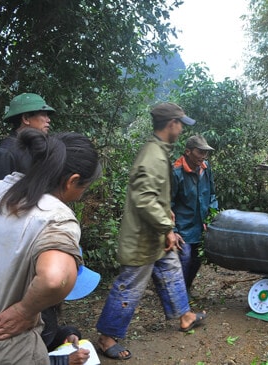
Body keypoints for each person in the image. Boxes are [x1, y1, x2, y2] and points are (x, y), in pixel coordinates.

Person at [0, 129, 102, 365]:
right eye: (84, 189)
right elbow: (55, 278)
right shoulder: (54, 215)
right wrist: (24, 311)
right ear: (72, 181)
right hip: (3, 352)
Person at [95, 102, 207, 361]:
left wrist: (167, 213)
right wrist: (167, 227)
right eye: (179, 124)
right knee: (129, 285)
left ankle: (185, 316)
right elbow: (143, 198)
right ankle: (107, 337)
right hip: (143, 238)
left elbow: (154, 194)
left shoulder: (159, 152)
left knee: (171, 269)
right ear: (171, 124)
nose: (180, 129)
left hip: (155, 235)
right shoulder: (152, 155)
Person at [172, 135, 218, 292]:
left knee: (198, 259)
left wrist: (212, 216)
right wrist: (173, 230)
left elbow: (212, 194)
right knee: (184, 258)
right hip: (182, 227)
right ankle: (179, 294)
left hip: (200, 225)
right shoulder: (176, 173)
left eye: (205, 153)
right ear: (188, 152)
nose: (204, 156)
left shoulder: (206, 168)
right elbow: (166, 204)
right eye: (200, 152)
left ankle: (186, 288)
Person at [42, 248, 101, 365]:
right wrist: (64, 361)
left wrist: (67, 334)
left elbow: (44, 335)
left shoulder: (44, 306)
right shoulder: (23, 313)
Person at [0, 93, 55, 181]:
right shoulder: (5, 154)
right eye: (43, 115)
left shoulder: (36, 148)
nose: (48, 120)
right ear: (26, 118)